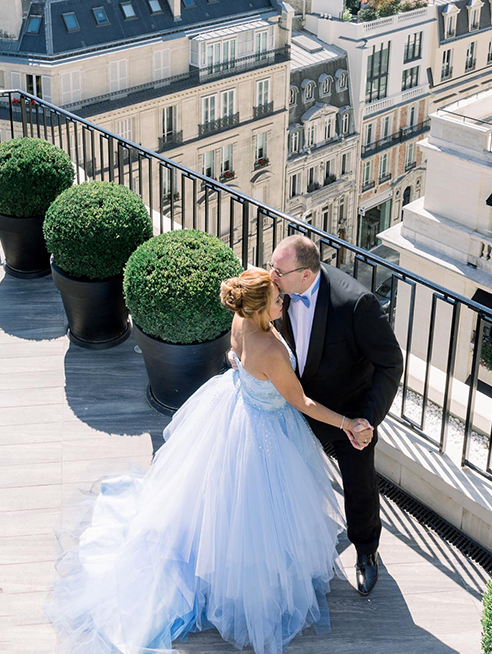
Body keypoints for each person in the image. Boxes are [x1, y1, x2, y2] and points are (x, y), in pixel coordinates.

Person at [48, 268, 372, 654]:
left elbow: (233, 355)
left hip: (235, 406)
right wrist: (347, 422)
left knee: (219, 504)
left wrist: (246, 371)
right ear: (258, 309)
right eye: (276, 300)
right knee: (258, 515)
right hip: (264, 429)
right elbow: (300, 402)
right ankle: (252, 583)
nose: (282, 302)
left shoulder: (240, 319)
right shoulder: (270, 349)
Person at [269, 234, 404, 596]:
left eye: (278, 270)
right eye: (272, 266)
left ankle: (366, 552)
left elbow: (391, 363)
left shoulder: (356, 303)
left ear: (306, 276)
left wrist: (368, 421)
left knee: (359, 486)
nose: (272, 275)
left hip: (347, 413)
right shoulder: (277, 288)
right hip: (295, 405)